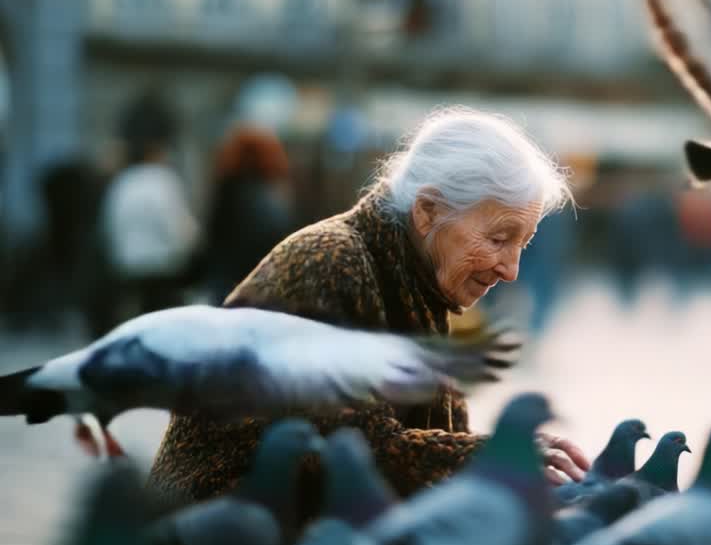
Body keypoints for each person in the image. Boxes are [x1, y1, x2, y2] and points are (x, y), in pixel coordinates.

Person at [147, 107, 590, 515]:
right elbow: (354, 447)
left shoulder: (413, 283)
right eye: (497, 239)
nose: (511, 270)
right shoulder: (332, 261)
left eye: (522, 245)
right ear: (428, 211)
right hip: (215, 540)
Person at [99, 92, 202, 320]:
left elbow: (111, 225)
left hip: (128, 268)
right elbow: (178, 228)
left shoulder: (123, 181)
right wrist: (190, 247)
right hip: (162, 269)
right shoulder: (163, 180)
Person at [203, 126, 297, 304]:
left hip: (226, 282)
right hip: (263, 282)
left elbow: (214, 237)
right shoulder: (271, 194)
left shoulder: (227, 188)